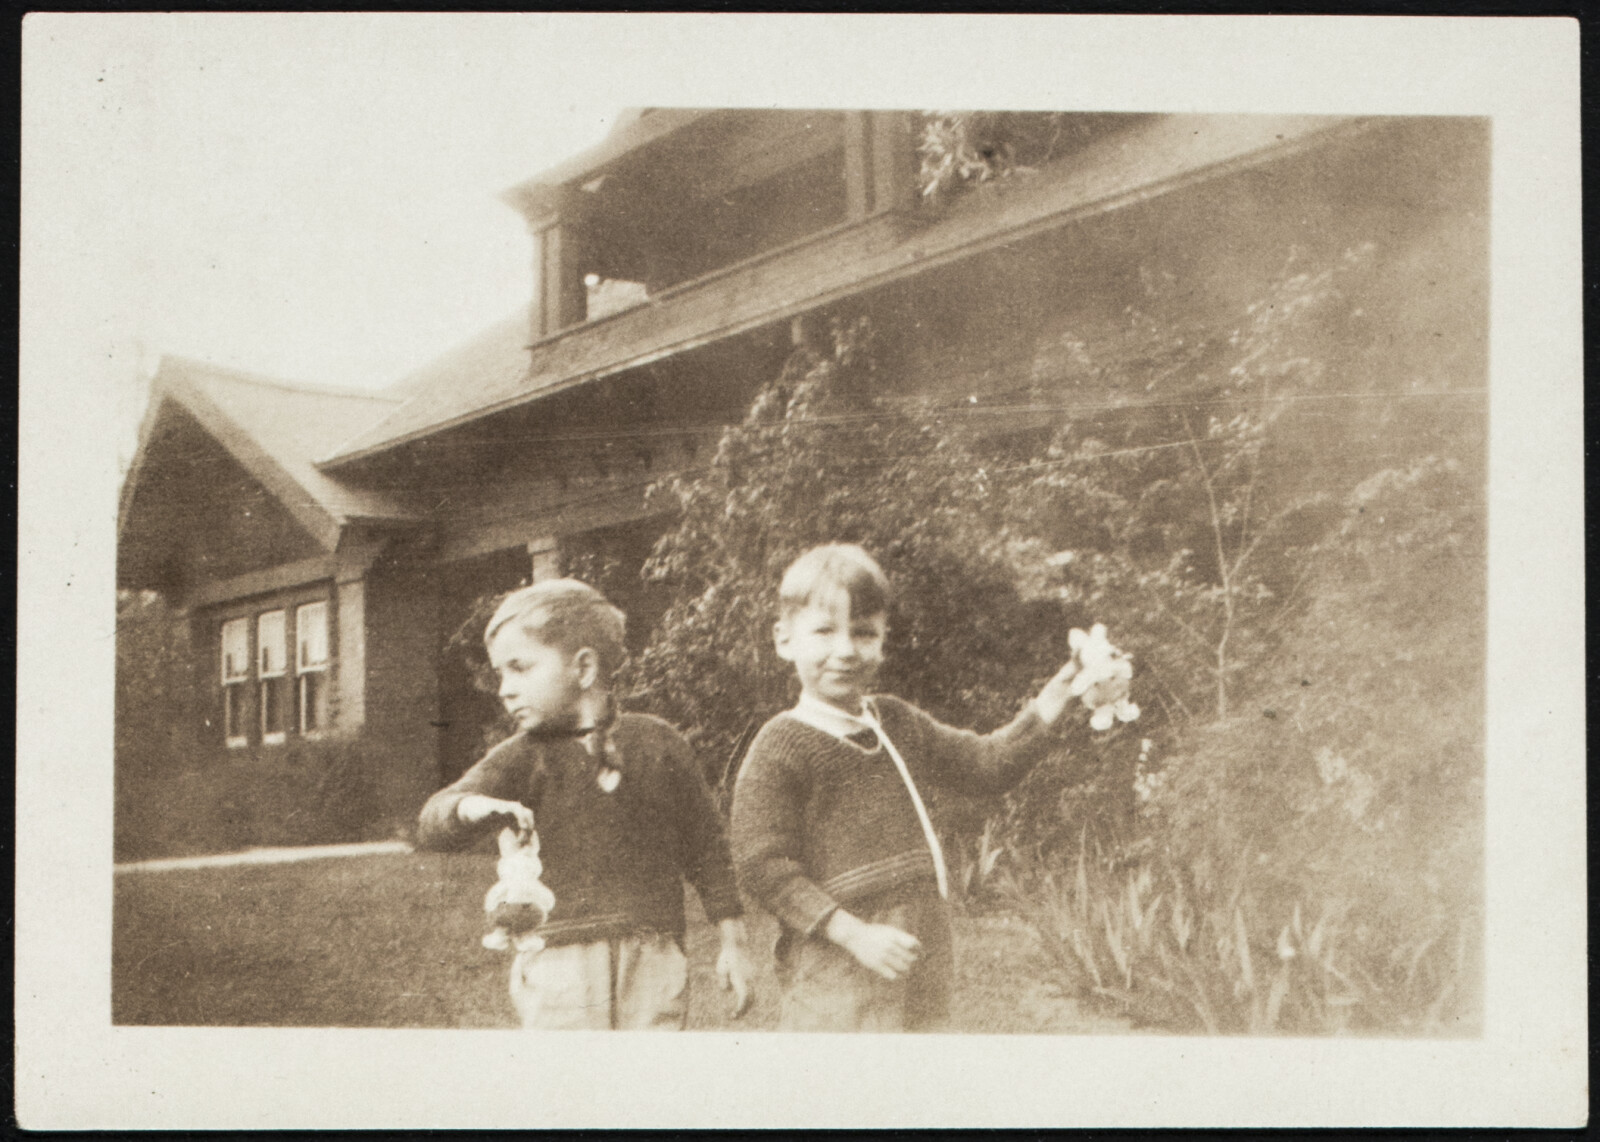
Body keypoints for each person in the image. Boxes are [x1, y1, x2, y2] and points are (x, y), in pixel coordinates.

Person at [730, 543, 1119, 1031]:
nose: (846, 650)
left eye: (864, 632)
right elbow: (762, 866)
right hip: (839, 963)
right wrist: (852, 934)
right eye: (825, 631)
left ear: (883, 639)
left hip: (922, 948)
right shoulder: (781, 746)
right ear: (784, 640)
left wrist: (1060, 694)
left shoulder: (896, 721)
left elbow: (987, 764)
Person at [417, 579, 753, 1030]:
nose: (505, 689)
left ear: (584, 667)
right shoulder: (522, 756)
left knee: (647, 1084)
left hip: (652, 956)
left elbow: (707, 848)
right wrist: (469, 807)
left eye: (519, 668)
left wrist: (733, 942)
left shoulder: (659, 744)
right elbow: (435, 816)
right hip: (558, 962)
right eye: (501, 674)